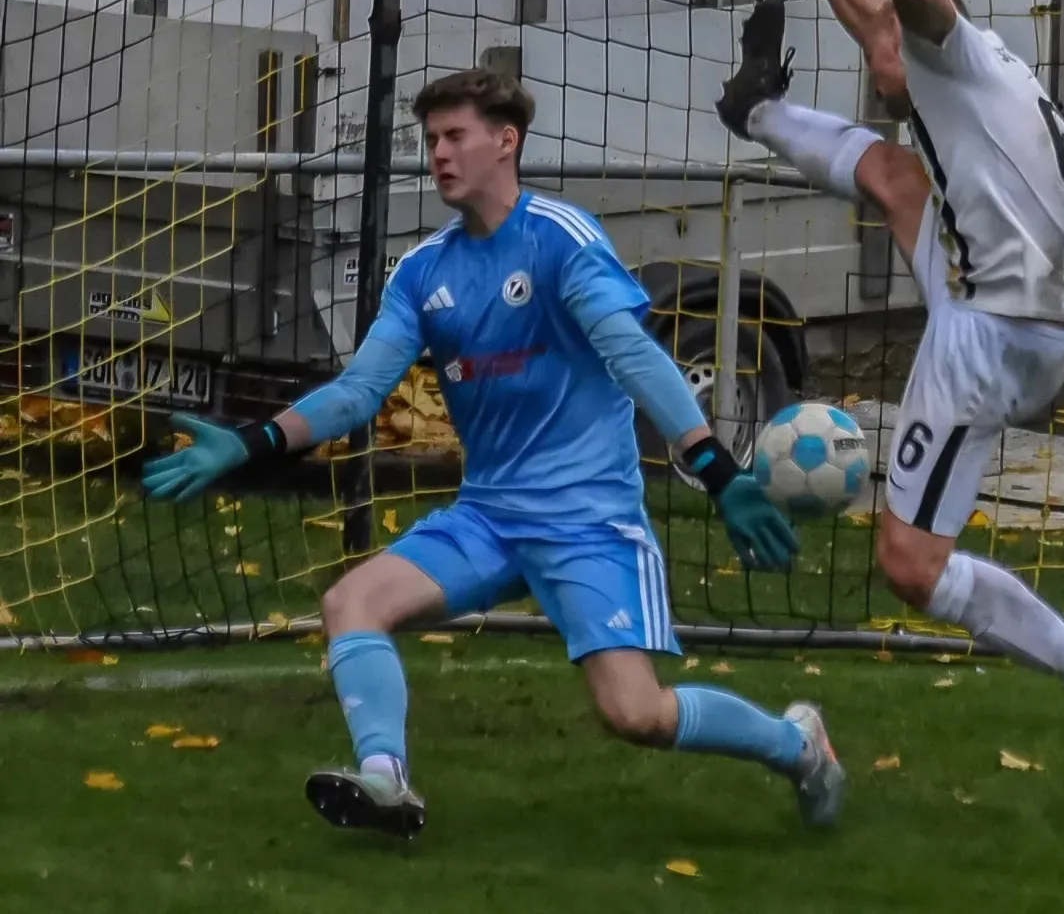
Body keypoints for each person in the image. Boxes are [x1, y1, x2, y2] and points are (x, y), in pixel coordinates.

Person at [139, 68, 846, 837]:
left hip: (586, 522)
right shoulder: (424, 273)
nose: (438, 154)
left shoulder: (561, 240)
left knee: (636, 714)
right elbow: (358, 392)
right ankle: (385, 781)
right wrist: (250, 444)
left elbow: (636, 357)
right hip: (487, 517)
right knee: (352, 603)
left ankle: (799, 745)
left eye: (455, 136)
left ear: (506, 141)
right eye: (431, 140)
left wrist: (716, 469)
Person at [704, 0, 1064, 787]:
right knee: (896, 175)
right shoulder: (980, 76)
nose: (882, 67)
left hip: (992, 337)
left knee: (909, 565)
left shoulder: (952, 53)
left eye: (890, 47)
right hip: (1004, 293)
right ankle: (756, 110)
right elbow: (885, 33)